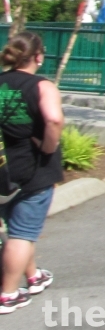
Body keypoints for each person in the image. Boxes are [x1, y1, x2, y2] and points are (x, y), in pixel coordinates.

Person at [0, 32, 64, 314]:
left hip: (3, 166)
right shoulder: (42, 86)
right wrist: (49, 149)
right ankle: (8, 294)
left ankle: (33, 276)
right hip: (31, 168)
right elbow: (53, 119)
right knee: (23, 233)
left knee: (18, 226)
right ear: (39, 56)